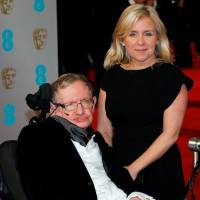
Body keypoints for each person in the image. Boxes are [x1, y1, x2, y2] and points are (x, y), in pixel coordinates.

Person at [97, 4, 193, 200]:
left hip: (159, 170)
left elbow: (170, 134)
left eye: (148, 34)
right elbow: (104, 131)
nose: (140, 42)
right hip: (120, 166)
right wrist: (105, 169)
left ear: (158, 38)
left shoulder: (171, 78)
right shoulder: (111, 76)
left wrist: (133, 169)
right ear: (122, 39)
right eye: (132, 34)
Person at [17, 73, 154, 200]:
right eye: (69, 105)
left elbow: (121, 178)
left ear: (94, 103)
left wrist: (135, 195)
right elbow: (40, 192)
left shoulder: (97, 140)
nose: (80, 111)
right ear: (53, 108)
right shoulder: (37, 136)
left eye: (85, 102)